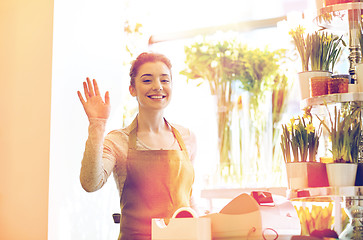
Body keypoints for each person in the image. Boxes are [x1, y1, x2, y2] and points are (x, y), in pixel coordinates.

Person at [77, 52, 197, 240]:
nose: (158, 87)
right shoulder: (117, 141)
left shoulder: (186, 137)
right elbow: (90, 183)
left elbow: (187, 200)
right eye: (147, 80)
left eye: (164, 80)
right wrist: (97, 125)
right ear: (132, 89)